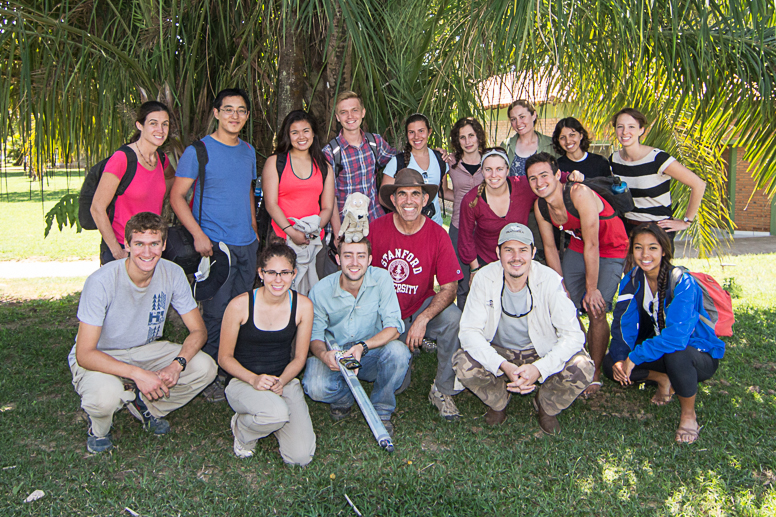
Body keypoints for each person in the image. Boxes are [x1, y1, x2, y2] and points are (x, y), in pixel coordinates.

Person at [69, 212, 217, 453]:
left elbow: (198, 331)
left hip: (144, 349)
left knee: (205, 367)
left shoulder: (173, 273)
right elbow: (85, 354)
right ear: (126, 245)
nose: (147, 253)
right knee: (105, 397)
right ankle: (98, 429)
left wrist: (176, 365)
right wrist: (138, 374)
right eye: (139, 244)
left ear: (164, 245)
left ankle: (145, 406)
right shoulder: (101, 281)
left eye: (154, 244)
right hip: (101, 353)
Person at [453, 223, 593, 432]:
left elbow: (573, 335)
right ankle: (498, 400)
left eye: (523, 250)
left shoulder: (550, 279)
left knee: (583, 366)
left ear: (533, 252)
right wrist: (503, 365)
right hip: (499, 350)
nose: (516, 257)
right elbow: (468, 332)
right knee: (462, 362)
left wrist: (539, 368)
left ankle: (546, 404)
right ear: (498, 253)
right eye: (508, 250)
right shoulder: (483, 277)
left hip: (539, 351)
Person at [171, 88, 259, 402]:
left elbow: (247, 189)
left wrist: (252, 227)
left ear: (246, 116)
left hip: (246, 244)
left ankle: (232, 367)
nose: (235, 115)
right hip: (215, 246)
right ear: (217, 112)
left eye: (241, 110)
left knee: (242, 309)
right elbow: (177, 197)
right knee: (216, 311)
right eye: (229, 109)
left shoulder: (248, 151)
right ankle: (209, 375)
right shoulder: (199, 151)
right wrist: (198, 235)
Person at [604, 224, 725, 443]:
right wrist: (622, 358)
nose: (645, 255)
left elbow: (677, 338)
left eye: (652, 248)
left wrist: (635, 357)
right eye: (638, 248)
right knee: (611, 363)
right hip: (662, 349)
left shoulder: (682, 282)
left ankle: (688, 415)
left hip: (697, 354)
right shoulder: (632, 280)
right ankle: (663, 379)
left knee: (676, 354)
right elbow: (623, 324)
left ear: (664, 251)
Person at [528, 152, 628, 398]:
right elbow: (550, 247)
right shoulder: (540, 205)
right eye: (533, 178)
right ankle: (581, 354)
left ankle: (594, 373)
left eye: (544, 175)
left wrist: (591, 289)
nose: (539, 182)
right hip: (578, 245)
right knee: (564, 304)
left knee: (596, 308)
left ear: (556, 175)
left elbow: (594, 245)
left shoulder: (578, 194)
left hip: (610, 247)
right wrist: (560, 285)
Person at [368, 169, 464, 421]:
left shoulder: (437, 234)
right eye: (402, 194)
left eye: (415, 194)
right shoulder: (376, 229)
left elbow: (450, 287)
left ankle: (443, 390)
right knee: (400, 384)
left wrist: (424, 319)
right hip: (387, 312)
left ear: (424, 200)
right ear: (393, 200)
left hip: (420, 306)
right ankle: (403, 355)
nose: (408, 201)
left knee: (453, 317)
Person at [218, 243, 316, 465]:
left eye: (285, 273)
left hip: (283, 381)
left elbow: (300, 357)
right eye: (271, 272)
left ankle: (268, 419)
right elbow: (224, 357)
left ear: (294, 274)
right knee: (277, 414)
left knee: (300, 457)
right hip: (244, 380)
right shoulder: (240, 305)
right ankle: (242, 430)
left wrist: (282, 381)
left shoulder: (303, 306)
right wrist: (254, 379)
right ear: (260, 273)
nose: (278, 280)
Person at [302, 239, 410, 436]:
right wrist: (325, 355)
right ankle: (344, 398)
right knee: (314, 386)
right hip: (338, 354)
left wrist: (362, 346)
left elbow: (394, 327)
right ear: (338, 259)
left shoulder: (382, 279)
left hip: (370, 352)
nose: (354, 262)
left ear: (369, 259)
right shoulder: (320, 290)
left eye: (360, 256)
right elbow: (314, 336)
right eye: (347, 255)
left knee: (399, 353)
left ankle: (382, 410)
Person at [458, 148, 570, 282]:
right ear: (481, 171)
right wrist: (475, 269)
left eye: (499, 169)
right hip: (487, 261)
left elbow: (552, 178)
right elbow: (465, 239)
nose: (494, 175)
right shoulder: (471, 200)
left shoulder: (523, 186)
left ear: (507, 169)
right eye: (488, 169)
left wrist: (570, 177)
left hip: (519, 260)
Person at [262, 110, 336, 293]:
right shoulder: (275, 162)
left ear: (313, 134)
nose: (301, 137)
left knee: (314, 291)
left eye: (306, 131)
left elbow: (327, 206)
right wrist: (291, 232)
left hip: (314, 240)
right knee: (281, 290)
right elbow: (271, 204)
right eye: (294, 132)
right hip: (281, 238)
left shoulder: (324, 166)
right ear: (288, 135)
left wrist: (315, 229)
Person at [91, 101, 171, 265]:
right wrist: (116, 251)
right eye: (153, 123)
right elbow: (97, 207)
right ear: (139, 125)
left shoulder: (161, 159)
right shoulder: (122, 159)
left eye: (165, 124)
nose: (160, 130)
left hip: (151, 250)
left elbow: (171, 180)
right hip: (124, 248)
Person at [609, 108, 706, 243]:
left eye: (631, 126)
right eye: (620, 127)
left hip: (657, 232)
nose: (625, 132)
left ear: (641, 130)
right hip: (628, 231)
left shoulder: (657, 158)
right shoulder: (614, 160)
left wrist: (686, 221)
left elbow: (699, 185)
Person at [323, 90, 397, 239]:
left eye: (354, 110)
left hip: (375, 222)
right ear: (337, 117)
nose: (350, 116)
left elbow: (399, 160)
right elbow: (330, 199)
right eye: (344, 112)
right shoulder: (330, 153)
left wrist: (430, 153)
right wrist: (338, 236)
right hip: (347, 228)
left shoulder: (374, 143)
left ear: (363, 113)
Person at [437, 117, 486, 308]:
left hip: (484, 228)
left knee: (485, 278)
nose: (468, 141)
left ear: (479, 137)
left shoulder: (490, 160)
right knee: (462, 282)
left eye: (471, 136)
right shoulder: (452, 163)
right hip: (458, 227)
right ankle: (464, 326)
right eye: (462, 137)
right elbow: (445, 192)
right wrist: (462, 199)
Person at [381, 113, 448, 226]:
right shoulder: (398, 162)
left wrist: (471, 196)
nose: (416, 136)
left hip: (435, 225)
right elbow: (383, 198)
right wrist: (407, 212)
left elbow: (444, 192)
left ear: (429, 132)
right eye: (411, 132)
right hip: (406, 226)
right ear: (407, 135)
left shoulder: (440, 159)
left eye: (421, 131)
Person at [499, 99, 557, 177]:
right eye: (513, 119)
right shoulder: (506, 146)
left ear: (534, 115)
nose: (518, 123)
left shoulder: (551, 144)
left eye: (522, 117)